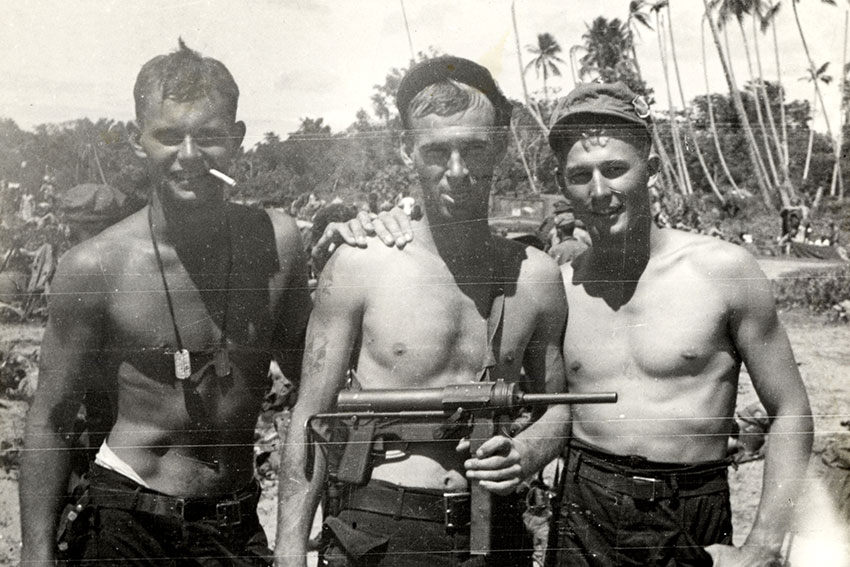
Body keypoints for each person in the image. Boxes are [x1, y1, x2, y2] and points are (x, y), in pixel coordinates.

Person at [20, 40, 312, 566]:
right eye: (170, 137)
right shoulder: (97, 266)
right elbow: (52, 418)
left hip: (234, 520)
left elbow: (313, 383)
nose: (190, 157)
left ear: (238, 139)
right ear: (138, 142)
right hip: (128, 520)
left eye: (209, 137)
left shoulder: (277, 243)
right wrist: (37, 554)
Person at [276, 56, 569, 567]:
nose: (457, 172)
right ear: (407, 149)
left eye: (474, 149)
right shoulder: (360, 265)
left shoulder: (536, 277)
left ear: (499, 146)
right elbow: (311, 416)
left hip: (496, 528)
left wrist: (530, 453)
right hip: (384, 527)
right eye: (437, 150)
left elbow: (558, 406)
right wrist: (288, 550)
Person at [544, 82, 813, 567]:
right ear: (563, 184)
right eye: (581, 175)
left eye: (615, 169)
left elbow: (790, 407)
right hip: (584, 510)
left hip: (688, 508)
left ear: (652, 170)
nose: (599, 191)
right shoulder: (560, 287)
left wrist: (766, 546)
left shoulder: (723, 270)